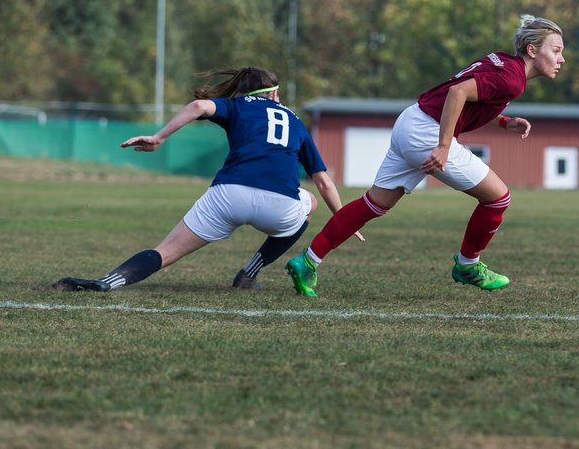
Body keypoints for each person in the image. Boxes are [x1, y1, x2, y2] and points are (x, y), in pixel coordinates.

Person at [284, 14, 566, 298]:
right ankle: (468, 265)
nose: (561, 59)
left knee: (374, 203)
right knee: (498, 198)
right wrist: (444, 146)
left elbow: (470, 97)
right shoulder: (513, 78)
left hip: (411, 119)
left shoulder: (503, 62)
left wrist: (503, 122)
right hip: (427, 132)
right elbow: (457, 93)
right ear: (532, 49)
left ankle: (307, 261)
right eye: (556, 50)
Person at [55, 66, 359, 292]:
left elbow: (199, 106)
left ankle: (106, 282)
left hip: (228, 195)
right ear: (274, 94)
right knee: (310, 202)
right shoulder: (295, 120)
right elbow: (323, 181)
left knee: (166, 252)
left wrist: (159, 137)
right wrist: (345, 219)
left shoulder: (237, 105)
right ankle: (248, 275)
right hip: (279, 207)